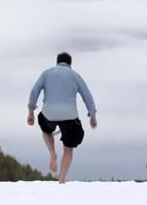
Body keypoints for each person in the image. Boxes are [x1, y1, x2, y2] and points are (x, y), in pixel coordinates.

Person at [27, 52, 97, 184]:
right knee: (68, 148)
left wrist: (31, 111)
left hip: (49, 114)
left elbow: (34, 91)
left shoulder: (46, 73)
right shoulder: (75, 75)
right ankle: (62, 178)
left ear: (57, 62)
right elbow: (87, 95)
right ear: (70, 64)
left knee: (46, 130)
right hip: (70, 116)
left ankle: (52, 153)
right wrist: (92, 115)